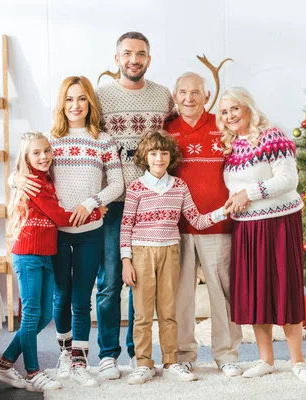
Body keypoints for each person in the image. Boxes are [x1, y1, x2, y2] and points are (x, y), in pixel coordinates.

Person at [10, 76, 124, 387]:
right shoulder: (50, 139)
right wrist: (14, 180)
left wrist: (92, 202)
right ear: (62, 103)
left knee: (82, 298)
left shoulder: (103, 140)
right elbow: (24, 165)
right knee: (61, 295)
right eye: (70, 99)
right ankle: (63, 352)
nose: (76, 105)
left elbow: (117, 184)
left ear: (90, 103)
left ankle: (79, 359)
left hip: (91, 230)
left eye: (82, 99)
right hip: (56, 232)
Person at [217, 87, 306, 382]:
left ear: (248, 107)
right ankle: (266, 359)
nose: (230, 116)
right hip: (246, 226)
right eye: (224, 112)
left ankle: (297, 361)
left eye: (234, 108)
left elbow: (288, 180)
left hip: (279, 223)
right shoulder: (231, 145)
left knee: (284, 288)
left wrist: (248, 193)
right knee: (256, 291)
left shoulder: (273, 136)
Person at [94, 31, 174, 378]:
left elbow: (174, 142)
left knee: (138, 284)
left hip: (151, 205)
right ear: (116, 59)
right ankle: (108, 353)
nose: (134, 60)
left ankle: (136, 354)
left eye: (140, 54)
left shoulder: (163, 97)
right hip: (113, 203)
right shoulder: (99, 97)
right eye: (127, 54)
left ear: (149, 59)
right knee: (112, 281)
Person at [120, 130, 228, 385]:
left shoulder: (179, 186)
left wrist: (224, 211)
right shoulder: (136, 188)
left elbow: (197, 220)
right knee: (143, 314)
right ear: (145, 156)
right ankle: (143, 363)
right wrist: (126, 260)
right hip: (141, 253)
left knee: (169, 311)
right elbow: (126, 225)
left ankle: (171, 361)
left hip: (171, 252)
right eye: (154, 153)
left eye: (164, 153)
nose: (159, 158)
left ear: (171, 157)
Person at [0, 131, 102, 392]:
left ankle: (5, 363)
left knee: (43, 315)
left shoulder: (46, 179)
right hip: (29, 254)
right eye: (36, 152)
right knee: (32, 314)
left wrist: (14, 177)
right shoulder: (33, 183)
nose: (43, 156)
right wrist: (97, 211)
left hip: (45, 254)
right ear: (26, 157)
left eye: (46, 151)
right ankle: (32, 372)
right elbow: (61, 217)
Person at [164, 72, 243, 376]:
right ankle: (184, 354)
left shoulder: (222, 125)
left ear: (206, 96)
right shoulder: (166, 127)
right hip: (177, 226)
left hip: (218, 224)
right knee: (181, 295)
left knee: (222, 293)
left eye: (195, 92)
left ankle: (227, 354)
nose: (188, 98)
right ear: (175, 95)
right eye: (182, 92)